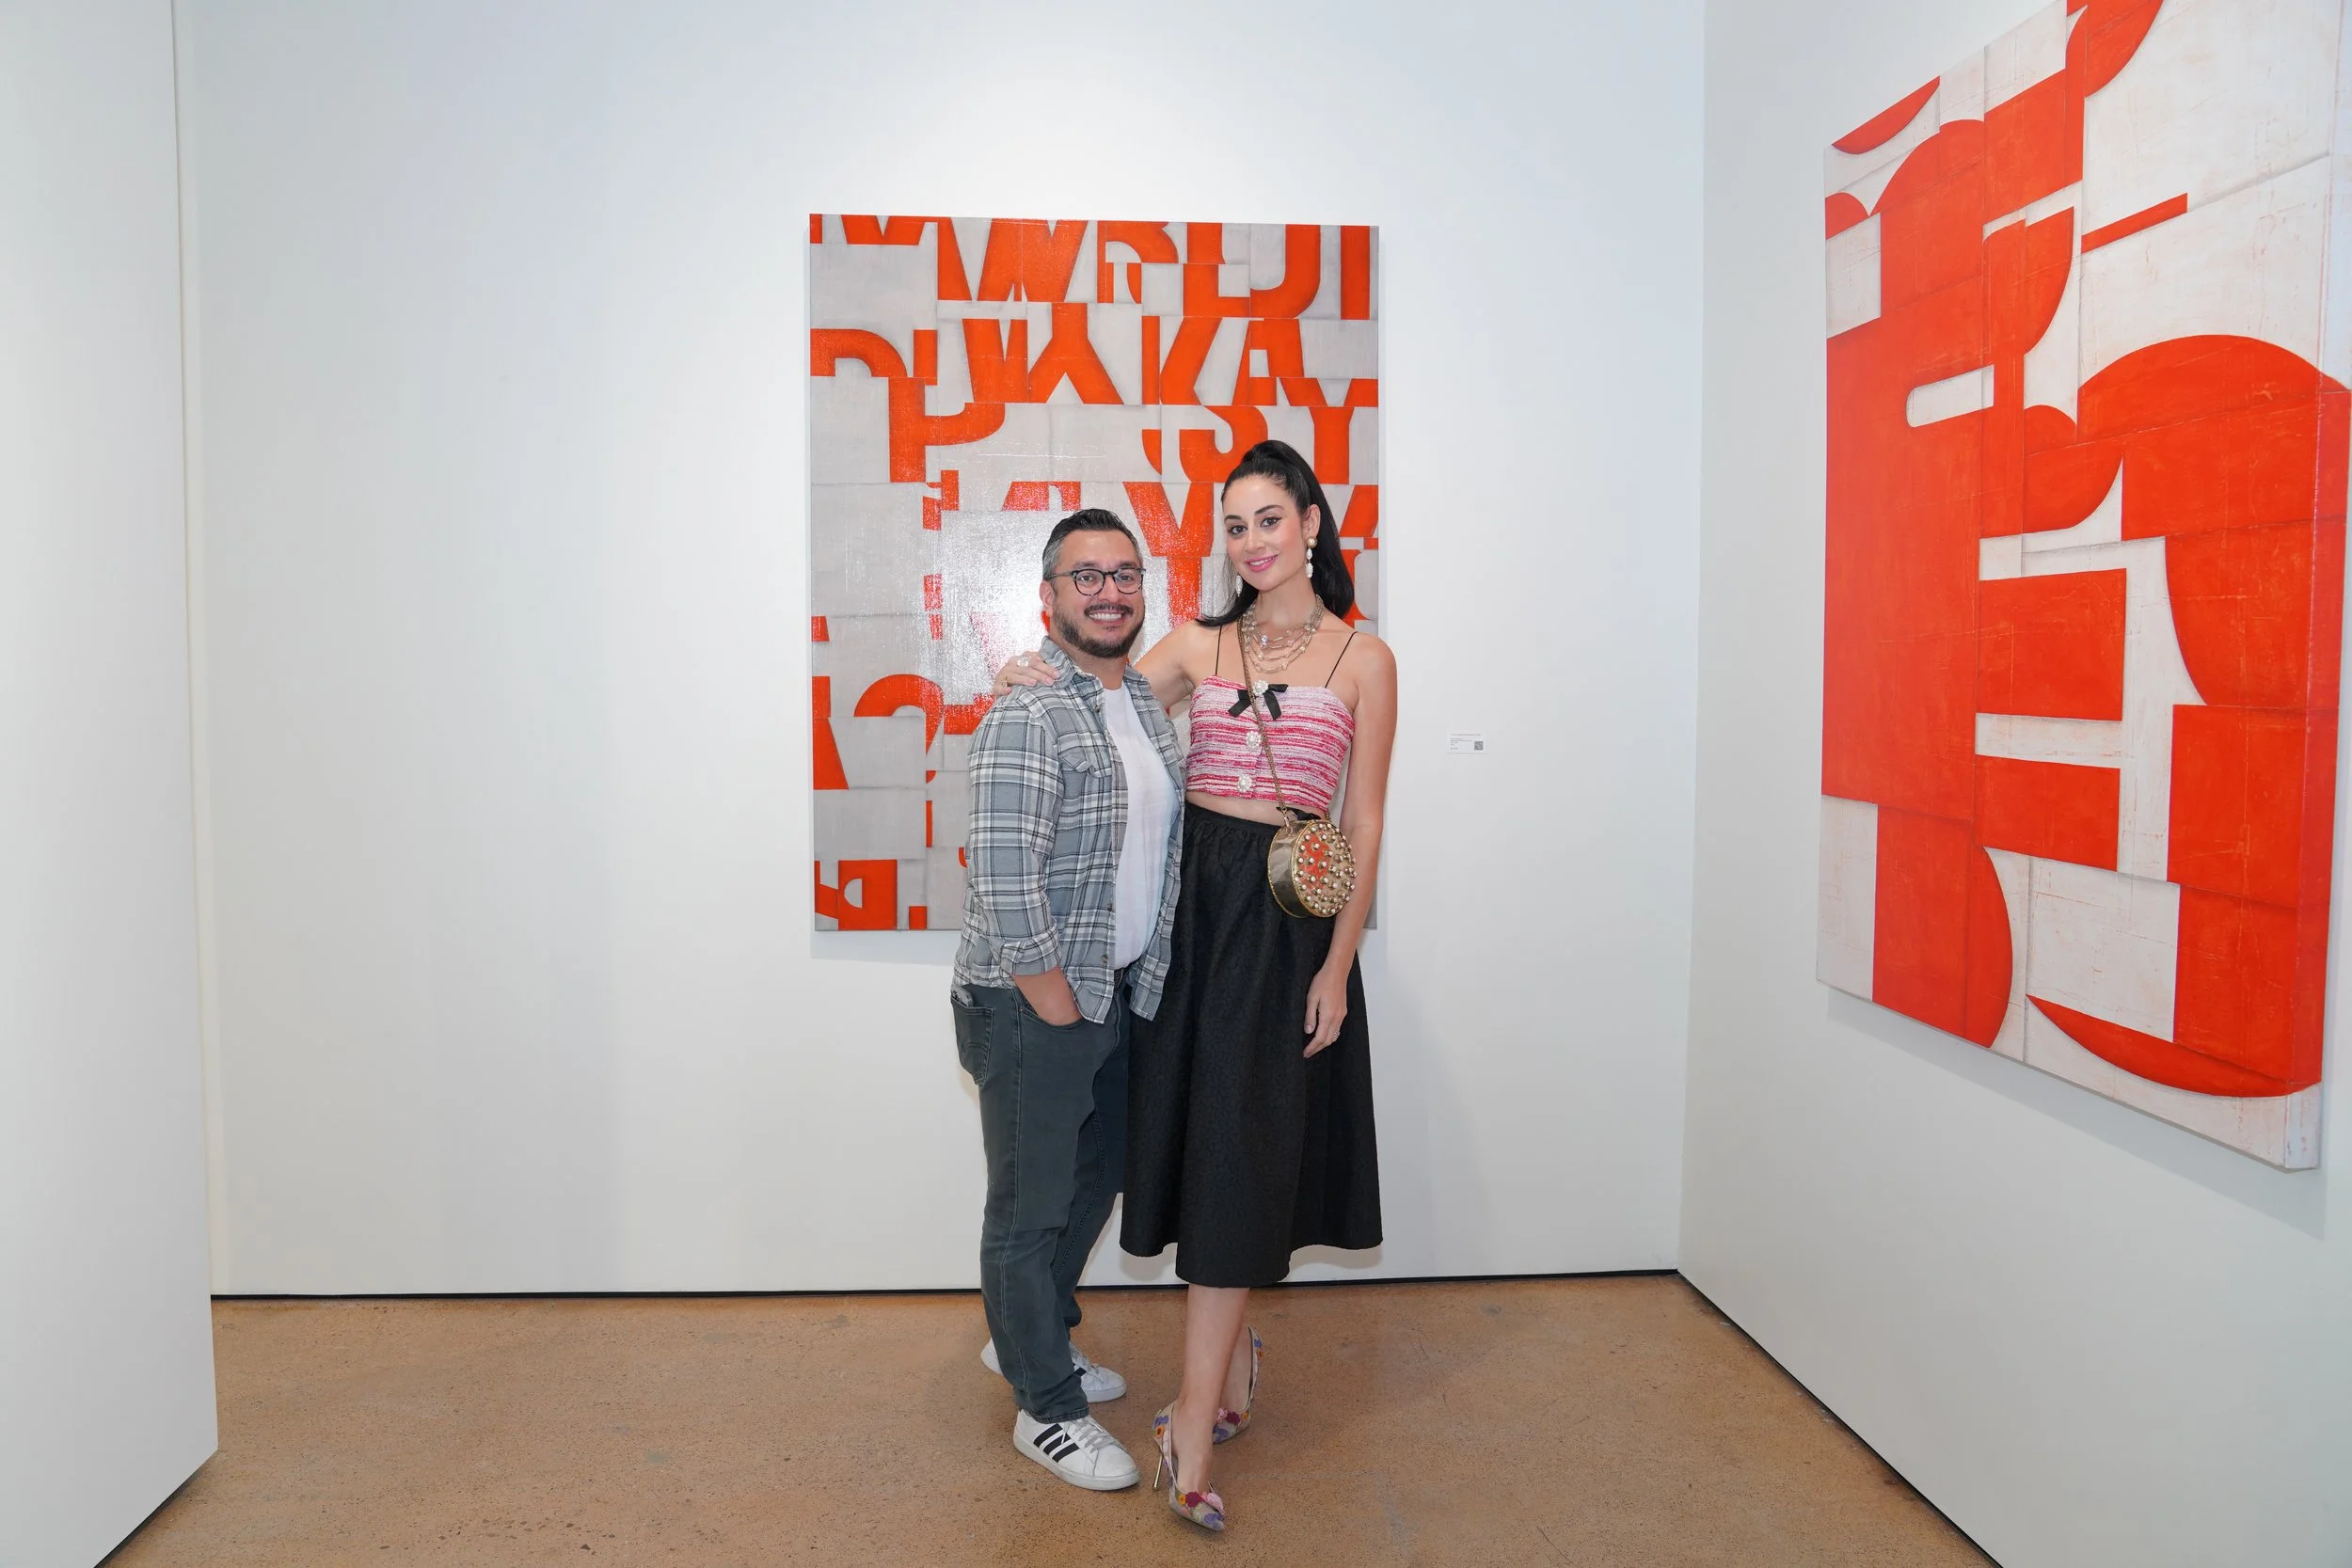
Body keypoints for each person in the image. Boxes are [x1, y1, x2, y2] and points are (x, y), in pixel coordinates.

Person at [993, 439, 1397, 1530]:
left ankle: (1191, 1410)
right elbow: (1096, 683)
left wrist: (1341, 965)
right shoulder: (1201, 642)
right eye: (1233, 523)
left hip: (1285, 927)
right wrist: (1020, 667)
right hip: (1189, 916)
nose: (1251, 540)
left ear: (1311, 522)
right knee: (1191, 1146)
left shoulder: (1364, 657)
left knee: (1242, 1151)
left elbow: (1361, 825)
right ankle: (1221, 1364)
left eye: (1269, 517)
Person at [951, 508, 1184, 1492]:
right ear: (1048, 596)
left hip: (1114, 989)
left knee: (1096, 1175)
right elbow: (1004, 876)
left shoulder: (1140, 697)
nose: (1108, 591)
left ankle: (1029, 1335)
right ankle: (1044, 1407)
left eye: (1124, 573)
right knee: (1030, 1204)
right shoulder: (1028, 708)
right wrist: (1052, 1004)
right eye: (1084, 576)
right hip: (1031, 998)